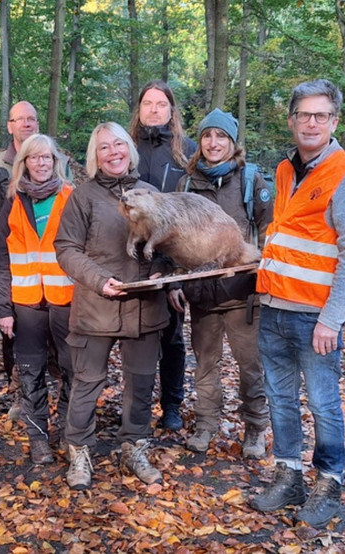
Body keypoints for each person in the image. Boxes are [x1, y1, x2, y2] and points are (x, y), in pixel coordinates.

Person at [249, 79, 345, 528]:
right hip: (273, 310)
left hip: (315, 319)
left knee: (323, 403)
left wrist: (332, 320)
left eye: (320, 115)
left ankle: (329, 480)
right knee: (280, 399)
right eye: (303, 114)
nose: (311, 122)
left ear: (334, 121)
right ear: (291, 120)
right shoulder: (285, 170)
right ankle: (289, 475)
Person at [53, 122, 170, 490]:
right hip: (95, 308)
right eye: (104, 147)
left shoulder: (152, 193)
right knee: (86, 382)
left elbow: (171, 245)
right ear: (95, 156)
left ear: (130, 150)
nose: (113, 152)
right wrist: (98, 278)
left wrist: (162, 272)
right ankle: (79, 451)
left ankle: (133, 446)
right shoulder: (83, 197)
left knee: (140, 382)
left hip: (145, 309)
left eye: (119, 144)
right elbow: (66, 248)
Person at [167, 109, 272, 458]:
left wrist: (263, 273)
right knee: (205, 365)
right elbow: (171, 238)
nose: (214, 143)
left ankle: (255, 428)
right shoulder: (186, 183)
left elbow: (271, 234)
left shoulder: (251, 181)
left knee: (250, 367)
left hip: (244, 295)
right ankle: (205, 425)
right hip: (202, 295)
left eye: (221, 137)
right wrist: (175, 283)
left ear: (232, 142)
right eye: (208, 136)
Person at [0, 134, 74, 465]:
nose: (41, 164)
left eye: (47, 158)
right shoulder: (12, 201)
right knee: (31, 372)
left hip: (67, 299)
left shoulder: (71, 197)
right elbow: (1, 258)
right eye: (34, 158)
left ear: (56, 162)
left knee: (72, 370)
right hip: (26, 304)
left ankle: (71, 434)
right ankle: (39, 439)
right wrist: (4, 309)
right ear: (23, 163)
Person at [128, 80, 197, 432]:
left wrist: (176, 269)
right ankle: (134, 408)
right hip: (130, 259)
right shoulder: (125, 148)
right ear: (138, 109)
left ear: (171, 110)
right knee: (132, 335)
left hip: (172, 260)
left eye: (161, 104)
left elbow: (195, 212)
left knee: (171, 336)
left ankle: (171, 405)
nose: (154, 109)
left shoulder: (186, 151)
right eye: (148, 103)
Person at [0, 100, 40, 416]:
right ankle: (17, 392)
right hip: (8, 263)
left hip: (47, 266)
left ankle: (42, 391)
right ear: (10, 125)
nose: (27, 124)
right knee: (11, 329)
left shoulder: (54, 159)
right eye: (21, 119)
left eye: (32, 119)